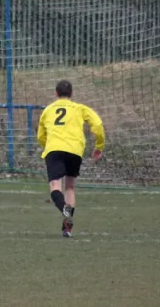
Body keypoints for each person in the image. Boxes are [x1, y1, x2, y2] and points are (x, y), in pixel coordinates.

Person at [37, 80, 105, 237]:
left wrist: (47, 146)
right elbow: (98, 125)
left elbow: (41, 135)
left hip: (54, 149)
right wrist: (99, 146)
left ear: (56, 94)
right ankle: (67, 228)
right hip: (75, 150)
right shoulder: (80, 108)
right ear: (72, 94)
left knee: (55, 186)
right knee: (70, 187)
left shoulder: (48, 110)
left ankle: (64, 210)